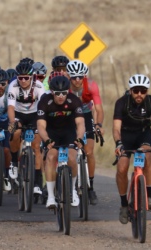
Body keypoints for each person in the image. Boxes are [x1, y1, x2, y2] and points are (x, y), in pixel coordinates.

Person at [113, 74, 151, 224]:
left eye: (143, 91)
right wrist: (118, 143)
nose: (139, 94)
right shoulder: (121, 102)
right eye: (136, 91)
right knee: (122, 168)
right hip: (126, 136)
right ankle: (123, 205)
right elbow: (116, 128)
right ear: (130, 90)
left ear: (147, 91)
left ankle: (149, 196)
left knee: (147, 156)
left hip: (143, 134)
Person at [37, 75, 85, 208]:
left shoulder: (74, 100)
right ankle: (51, 197)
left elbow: (80, 123)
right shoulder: (44, 101)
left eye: (64, 93)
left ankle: (73, 190)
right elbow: (41, 126)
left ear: (67, 92)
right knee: (51, 157)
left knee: (71, 158)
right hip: (51, 134)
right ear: (52, 92)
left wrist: (79, 137)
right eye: (57, 93)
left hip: (69, 133)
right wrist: (46, 140)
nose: (60, 96)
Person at [66, 59, 104, 205]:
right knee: (70, 150)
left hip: (87, 115)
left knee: (89, 151)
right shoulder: (65, 86)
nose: (76, 80)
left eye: (80, 77)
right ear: (69, 76)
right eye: (73, 77)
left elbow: (99, 109)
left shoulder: (92, 85)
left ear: (84, 76)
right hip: (69, 116)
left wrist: (99, 124)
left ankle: (91, 187)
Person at [7, 61, 46, 196]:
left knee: (36, 145)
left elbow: (43, 108)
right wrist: (13, 122)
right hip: (18, 114)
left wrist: (42, 124)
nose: (23, 81)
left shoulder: (39, 86)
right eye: (20, 78)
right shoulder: (13, 86)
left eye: (26, 78)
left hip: (35, 114)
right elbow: (11, 108)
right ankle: (14, 162)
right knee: (15, 132)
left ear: (32, 77)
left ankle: (37, 182)